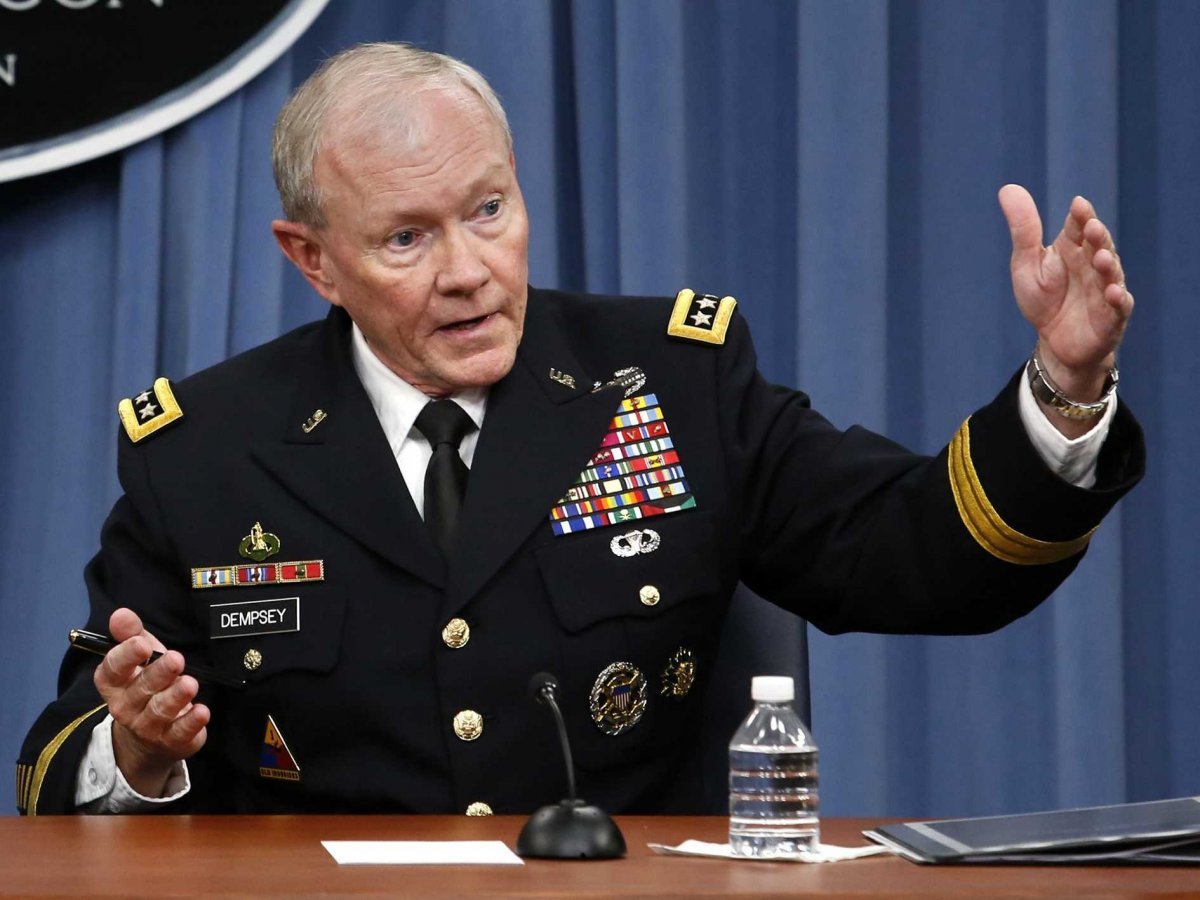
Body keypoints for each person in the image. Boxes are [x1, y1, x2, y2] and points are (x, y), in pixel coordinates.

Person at [17, 43, 1143, 816]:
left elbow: (918, 551)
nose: (468, 271)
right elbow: (63, 752)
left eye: (488, 210)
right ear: (312, 260)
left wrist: (1062, 384)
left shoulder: (673, 382)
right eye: (406, 239)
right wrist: (137, 751)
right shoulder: (206, 450)